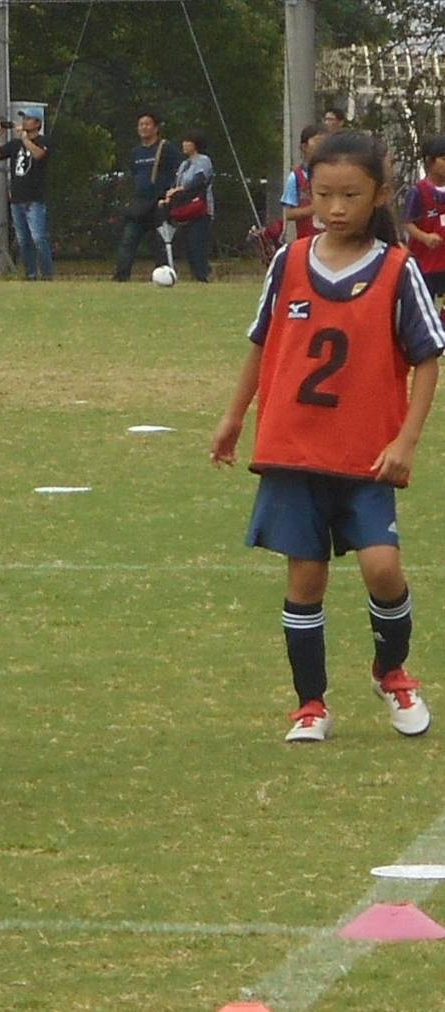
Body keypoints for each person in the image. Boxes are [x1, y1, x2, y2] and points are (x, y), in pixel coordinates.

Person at [209, 130, 445, 743]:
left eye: (351, 195)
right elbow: (262, 344)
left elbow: (427, 358)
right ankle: (310, 704)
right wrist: (234, 417)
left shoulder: (397, 270)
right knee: (305, 579)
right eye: (323, 195)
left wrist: (406, 442)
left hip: (366, 456)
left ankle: (391, 671)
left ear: (381, 195)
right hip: (293, 450)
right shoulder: (289, 262)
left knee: (382, 567)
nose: (335, 208)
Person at [112, 111, 183, 281]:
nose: (144, 127)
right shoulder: (135, 152)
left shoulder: (166, 148)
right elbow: (132, 176)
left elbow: (179, 172)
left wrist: (170, 196)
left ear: (156, 128)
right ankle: (121, 276)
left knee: (160, 243)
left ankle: (165, 276)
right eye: (141, 124)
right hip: (139, 204)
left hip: (159, 204)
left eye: (147, 124)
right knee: (128, 240)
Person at [0, 107, 53, 281]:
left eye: (28, 118)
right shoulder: (15, 144)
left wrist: (25, 139)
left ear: (37, 123)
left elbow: (39, 155)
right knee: (23, 240)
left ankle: (47, 273)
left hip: (34, 199)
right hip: (17, 198)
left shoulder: (43, 141)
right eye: (23, 118)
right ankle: (30, 273)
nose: (24, 121)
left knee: (38, 238)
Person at [158, 129, 215, 283]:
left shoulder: (203, 160)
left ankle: (202, 275)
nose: (184, 145)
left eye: (187, 141)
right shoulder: (184, 164)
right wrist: (169, 196)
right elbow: (176, 183)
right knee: (188, 245)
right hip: (184, 209)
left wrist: (178, 190)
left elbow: (198, 180)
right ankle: (195, 274)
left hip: (200, 209)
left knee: (197, 243)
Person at [404, 136, 445, 302]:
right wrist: (425, 237)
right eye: (444, 159)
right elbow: (407, 223)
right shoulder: (418, 192)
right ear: (430, 161)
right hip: (426, 264)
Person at [281, 125, 325, 243]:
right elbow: (289, 214)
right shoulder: (295, 177)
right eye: (317, 141)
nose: (321, 146)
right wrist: (314, 208)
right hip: (306, 240)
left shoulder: (332, 175)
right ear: (304, 147)